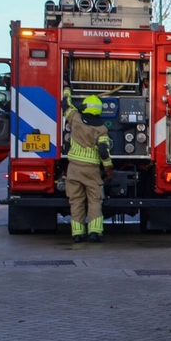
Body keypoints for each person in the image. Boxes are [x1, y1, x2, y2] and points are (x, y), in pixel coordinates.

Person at [63, 85, 113, 243]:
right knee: (94, 200)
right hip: (91, 170)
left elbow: (65, 104)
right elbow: (104, 152)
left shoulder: (74, 118)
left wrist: (66, 89)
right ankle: (95, 232)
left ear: (84, 107)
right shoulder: (102, 129)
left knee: (76, 200)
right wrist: (109, 169)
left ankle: (77, 234)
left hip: (74, 169)